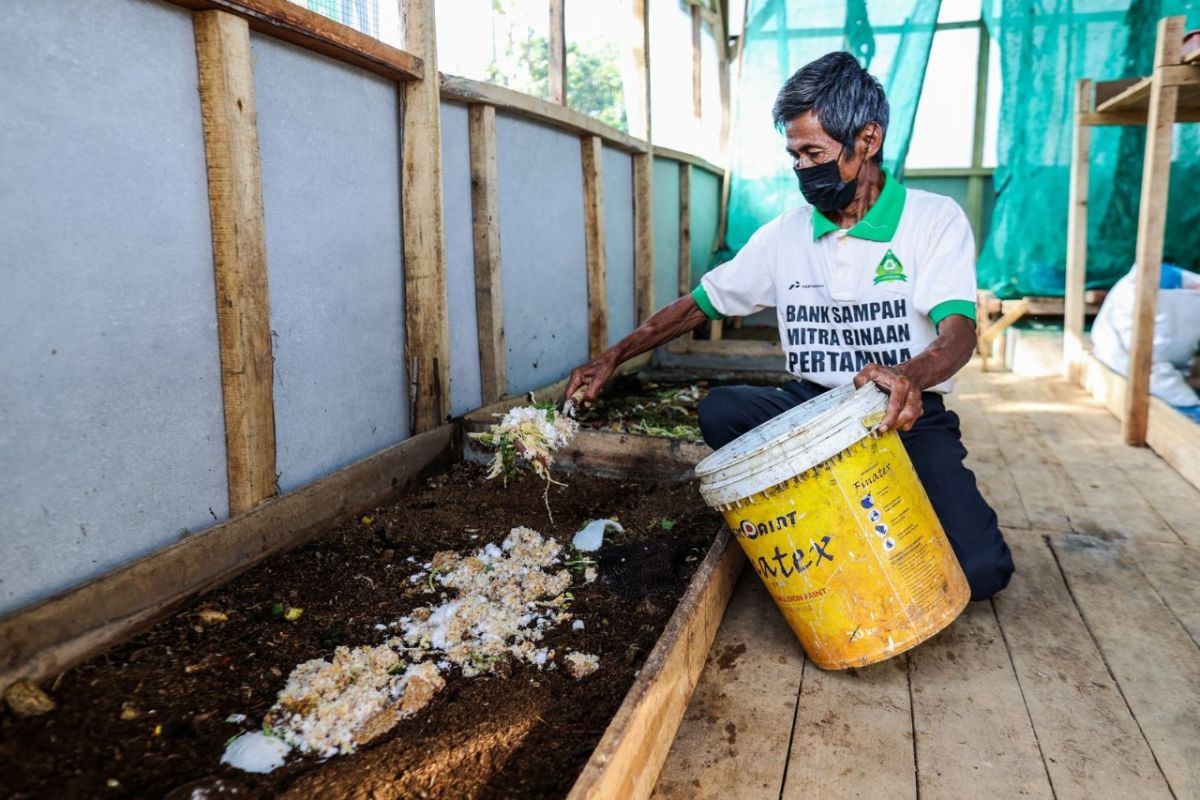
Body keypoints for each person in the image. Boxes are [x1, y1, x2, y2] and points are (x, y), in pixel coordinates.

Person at [565, 51, 1013, 600]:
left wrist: (908, 375)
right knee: (722, 411)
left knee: (982, 572)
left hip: (900, 414)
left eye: (814, 153)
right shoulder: (784, 236)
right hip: (812, 411)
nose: (802, 168)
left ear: (867, 140)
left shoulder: (931, 219)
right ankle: (824, 519)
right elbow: (699, 304)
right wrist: (613, 355)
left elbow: (958, 332)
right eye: (794, 155)